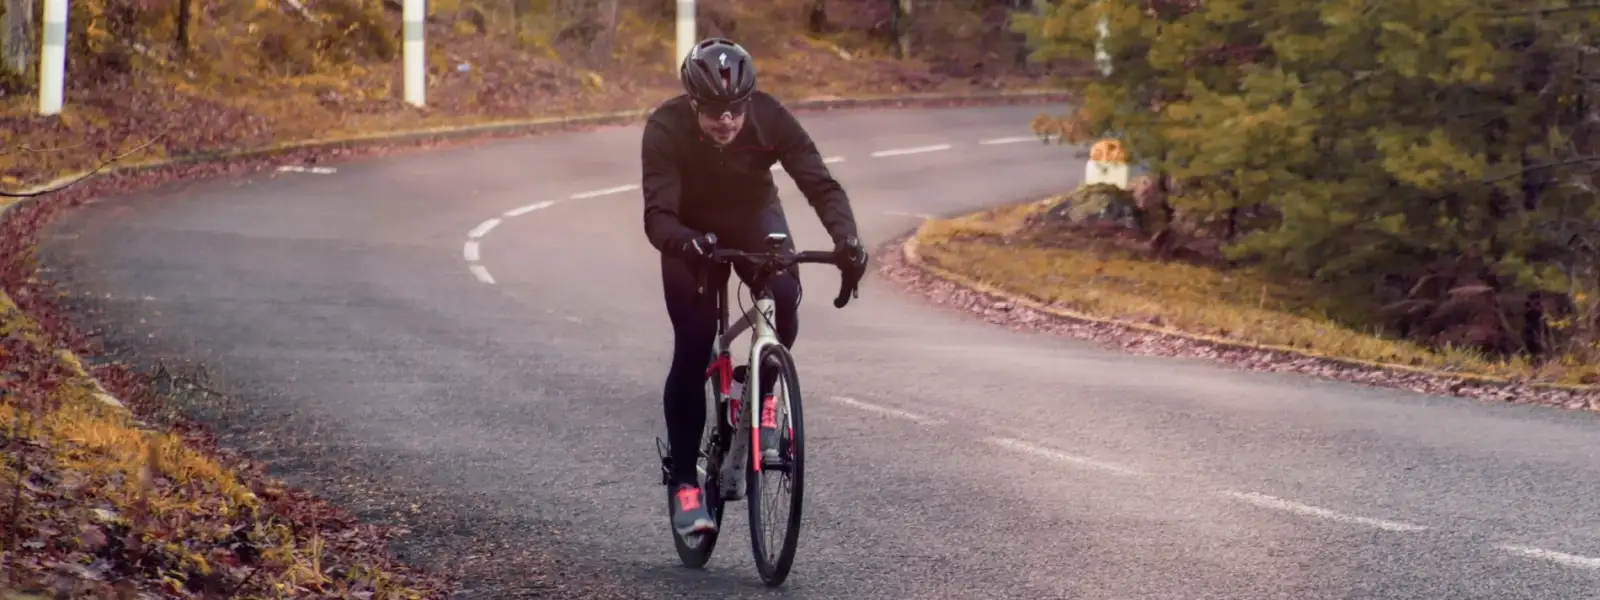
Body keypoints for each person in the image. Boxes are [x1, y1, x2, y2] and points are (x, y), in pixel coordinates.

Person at [641, 37, 869, 538]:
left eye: (735, 111)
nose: (727, 122)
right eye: (715, 112)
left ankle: (763, 392)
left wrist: (847, 240)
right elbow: (657, 216)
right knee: (695, 344)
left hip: (752, 217)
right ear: (694, 104)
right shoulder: (665, 127)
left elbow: (819, 183)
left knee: (785, 295)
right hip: (689, 234)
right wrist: (684, 242)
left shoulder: (770, 117)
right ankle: (684, 483)